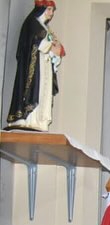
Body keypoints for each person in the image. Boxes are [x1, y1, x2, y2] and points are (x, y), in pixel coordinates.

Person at [6, 0, 65, 131]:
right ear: (41, 9)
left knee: (43, 93)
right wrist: (50, 48)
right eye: (49, 10)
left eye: (52, 10)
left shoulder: (46, 28)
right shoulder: (32, 23)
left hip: (44, 66)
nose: (51, 13)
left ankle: (39, 121)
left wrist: (56, 53)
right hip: (34, 68)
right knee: (34, 91)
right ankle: (29, 119)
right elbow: (34, 42)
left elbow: (50, 45)